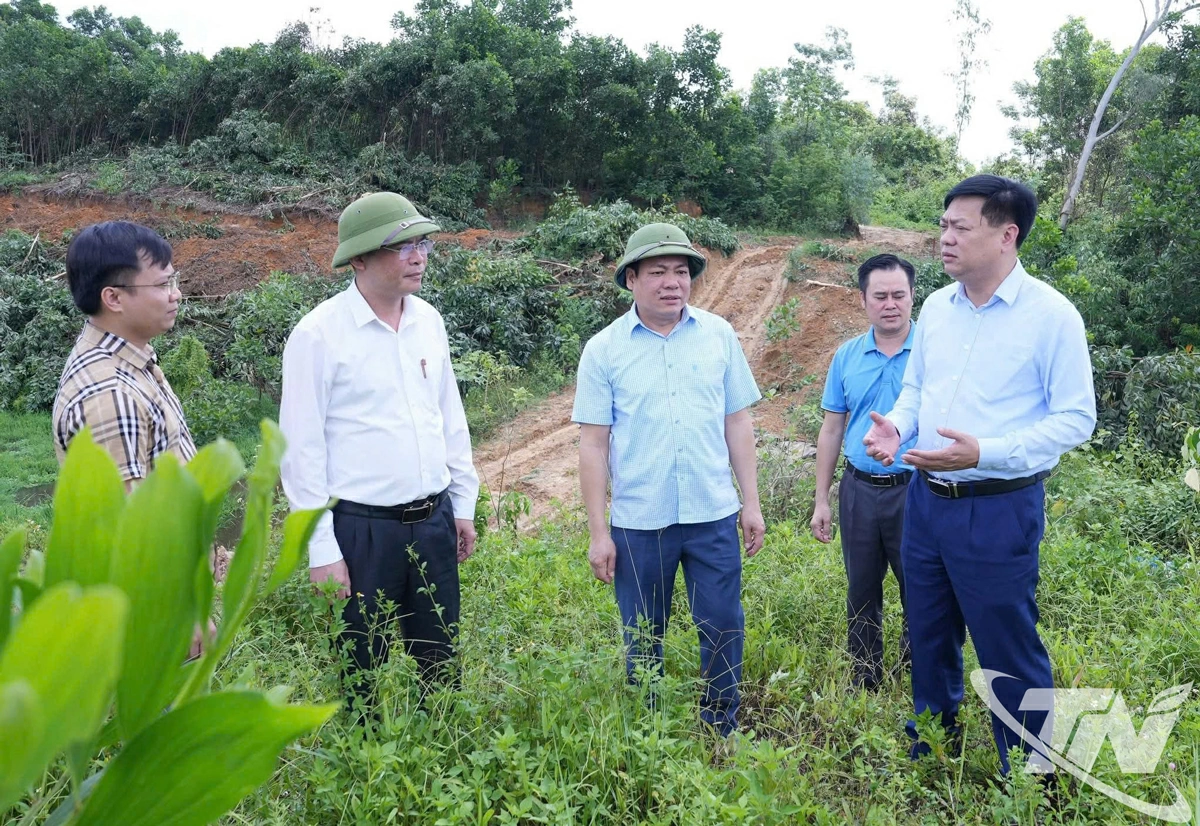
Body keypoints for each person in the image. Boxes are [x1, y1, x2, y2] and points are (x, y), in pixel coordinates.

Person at [863, 175, 1096, 772]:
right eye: (943, 225)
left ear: (1006, 234)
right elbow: (919, 387)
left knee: (1008, 646)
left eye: (960, 227)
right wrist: (898, 424)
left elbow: (1076, 418)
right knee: (929, 632)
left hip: (998, 508)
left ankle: (1030, 775)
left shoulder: (1051, 316)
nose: (944, 238)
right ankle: (931, 748)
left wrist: (984, 452)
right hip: (927, 503)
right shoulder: (938, 308)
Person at [279, 191, 480, 700]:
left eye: (423, 244)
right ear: (360, 259)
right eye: (402, 246)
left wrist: (462, 502)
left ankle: (441, 751)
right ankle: (364, 760)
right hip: (361, 530)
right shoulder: (318, 335)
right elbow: (301, 450)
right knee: (360, 667)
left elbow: (448, 417)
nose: (418, 256)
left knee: (440, 662)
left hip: (433, 520)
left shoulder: (428, 321)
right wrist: (321, 547)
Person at [572, 222, 765, 736]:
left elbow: (737, 422)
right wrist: (598, 533)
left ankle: (721, 723)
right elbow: (593, 444)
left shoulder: (719, 336)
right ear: (631, 279)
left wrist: (752, 502)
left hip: (713, 513)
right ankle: (648, 730)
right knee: (642, 632)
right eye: (658, 272)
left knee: (723, 623)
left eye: (681, 271)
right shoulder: (604, 350)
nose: (672, 282)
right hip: (639, 522)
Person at [53, 220, 212, 658]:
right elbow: (132, 528)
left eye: (174, 280)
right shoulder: (111, 392)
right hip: (149, 620)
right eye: (163, 283)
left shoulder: (129, 363)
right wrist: (181, 611)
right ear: (115, 298)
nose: (176, 293)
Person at [811, 253, 915, 690]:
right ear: (863, 300)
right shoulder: (846, 356)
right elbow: (832, 428)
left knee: (922, 587)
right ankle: (866, 677)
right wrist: (821, 499)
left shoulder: (935, 353)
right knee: (861, 588)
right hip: (859, 489)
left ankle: (919, 671)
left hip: (918, 488)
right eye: (880, 296)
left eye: (899, 295)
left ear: (913, 297)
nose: (890, 304)